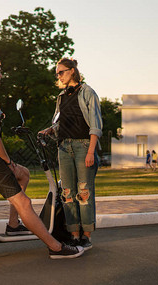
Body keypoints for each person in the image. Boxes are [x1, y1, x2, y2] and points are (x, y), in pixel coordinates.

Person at [0, 54, 83, 259]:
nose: (1, 75)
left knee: (23, 174)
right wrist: (8, 162)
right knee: (24, 203)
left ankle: (13, 224)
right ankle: (56, 247)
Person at [40, 58, 102, 251]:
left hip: (83, 146)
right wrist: (50, 130)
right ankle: (74, 235)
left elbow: (95, 124)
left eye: (61, 72)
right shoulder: (61, 96)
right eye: (57, 73)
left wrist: (91, 151)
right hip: (64, 147)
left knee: (84, 192)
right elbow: (60, 122)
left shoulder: (88, 92)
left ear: (72, 71)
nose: (58, 76)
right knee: (67, 193)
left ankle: (86, 236)